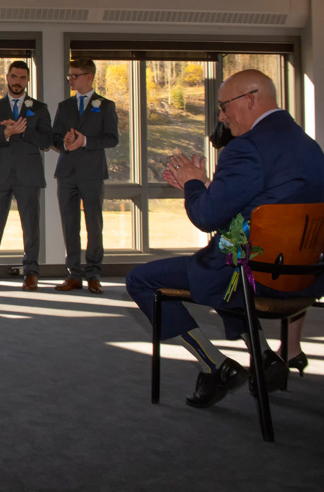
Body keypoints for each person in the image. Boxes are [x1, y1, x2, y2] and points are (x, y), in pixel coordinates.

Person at [126, 69, 324, 408]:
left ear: (250, 98)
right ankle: (263, 357)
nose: (221, 116)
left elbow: (207, 218)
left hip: (257, 277)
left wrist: (192, 184)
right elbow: (257, 208)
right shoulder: (308, 146)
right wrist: (205, 187)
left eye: (223, 106)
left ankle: (215, 365)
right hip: (303, 278)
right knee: (227, 265)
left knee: (142, 279)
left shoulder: (246, 148)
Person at [0, 61, 53, 291]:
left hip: (28, 176)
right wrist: (6, 133)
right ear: (7, 78)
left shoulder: (39, 108)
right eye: (14, 76)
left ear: (27, 80)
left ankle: (31, 273)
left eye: (22, 77)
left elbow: (47, 142)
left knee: (31, 227)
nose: (17, 81)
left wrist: (24, 130)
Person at [51, 58, 118, 295]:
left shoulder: (105, 105)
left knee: (93, 224)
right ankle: (74, 275)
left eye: (75, 75)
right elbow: (55, 138)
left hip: (92, 173)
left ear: (89, 76)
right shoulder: (65, 105)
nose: (70, 79)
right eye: (69, 75)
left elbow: (112, 138)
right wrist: (65, 143)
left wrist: (85, 141)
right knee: (70, 225)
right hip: (66, 172)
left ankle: (93, 274)